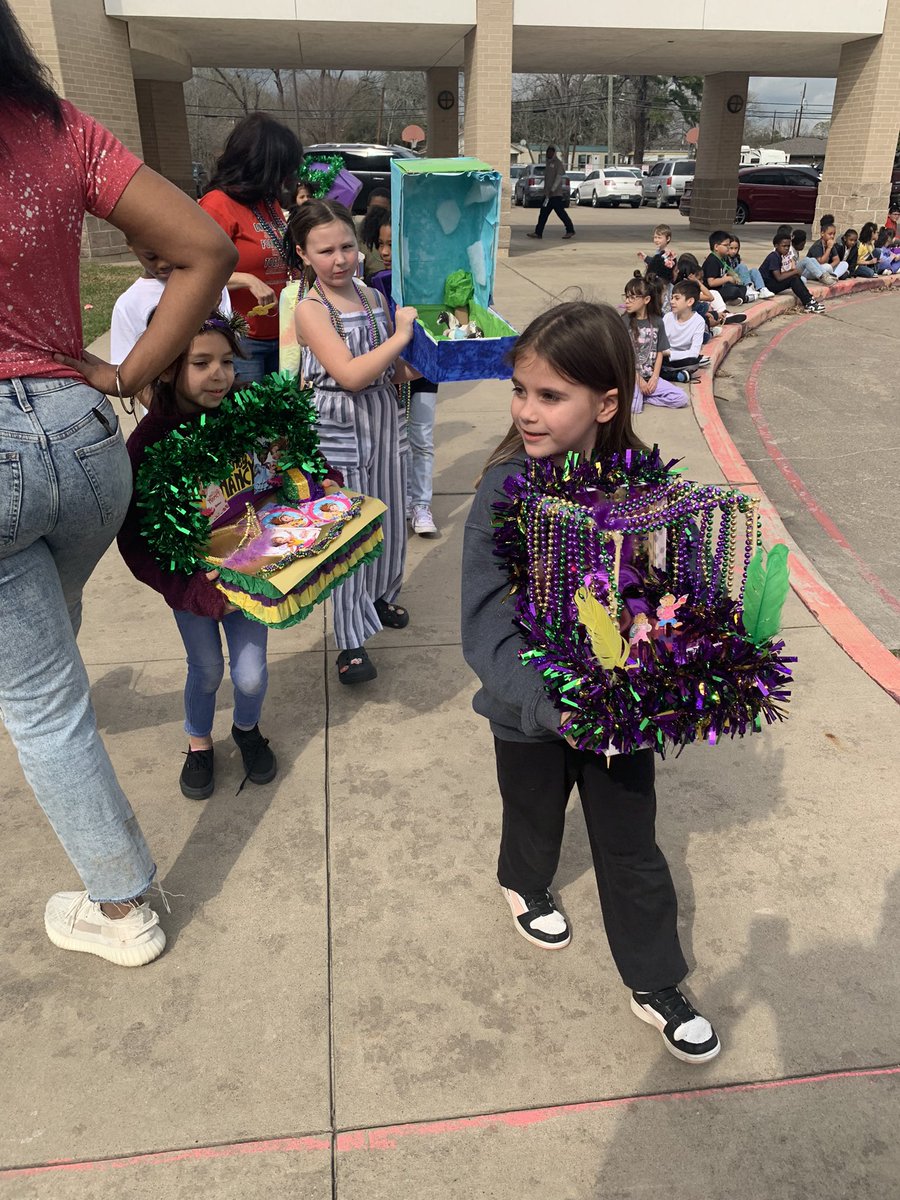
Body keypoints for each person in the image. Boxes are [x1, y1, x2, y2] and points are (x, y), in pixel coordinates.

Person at [0, 0, 237, 966]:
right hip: (86, 443)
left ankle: (119, 907)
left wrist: (134, 369)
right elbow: (204, 250)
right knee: (47, 629)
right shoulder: (57, 128)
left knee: (41, 704)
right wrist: (128, 376)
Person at [461, 300, 721, 1065]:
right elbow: (484, 626)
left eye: (551, 395)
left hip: (621, 715)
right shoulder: (505, 491)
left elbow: (648, 590)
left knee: (632, 844)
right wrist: (551, 704)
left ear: (607, 402)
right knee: (534, 814)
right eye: (521, 391)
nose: (527, 411)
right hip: (528, 709)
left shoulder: (636, 481)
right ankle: (523, 882)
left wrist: (679, 647)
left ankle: (655, 980)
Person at [116, 312, 278, 800]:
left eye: (227, 361)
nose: (219, 374)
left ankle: (246, 730)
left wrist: (318, 476)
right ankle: (199, 742)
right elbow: (137, 541)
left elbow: (282, 462)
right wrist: (190, 592)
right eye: (201, 362)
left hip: (251, 569)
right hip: (190, 585)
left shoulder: (245, 416)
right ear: (166, 367)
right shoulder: (148, 444)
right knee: (206, 669)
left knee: (250, 675)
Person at [292, 199, 419, 684]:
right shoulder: (309, 309)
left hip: (384, 417)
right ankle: (350, 642)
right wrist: (402, 336)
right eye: (326, 251)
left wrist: (446, 354)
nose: (341, 259)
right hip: (337, 424)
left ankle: (381, 597)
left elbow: (389, 368)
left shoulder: (371, 296)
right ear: (304, 254)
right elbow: (347, 374)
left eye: (348, 246)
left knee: (387, 512)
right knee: (348, 533)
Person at [199, 113, 303, 385]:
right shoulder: (217, 205)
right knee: (253, 425)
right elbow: (195, 273)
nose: (286, 178)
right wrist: (246, 280)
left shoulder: (268, 202)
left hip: (284, 335)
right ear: (261, 164)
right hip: (245, 341)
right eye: (282, 169)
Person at [110, 244, 232, 417]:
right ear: (131, 245)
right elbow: (128, 374)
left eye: (170, 251)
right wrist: (168, 419)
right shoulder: (128, 304)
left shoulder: (212, 286)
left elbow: (227, 343)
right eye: (151, 256)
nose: (163, 263)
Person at [622, 276, 689, 413]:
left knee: (681, 398)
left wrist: (654, 377)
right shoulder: (624, 322)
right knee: (635, 408)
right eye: (626, 297)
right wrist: (639, 379)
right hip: (631, 377)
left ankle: (645, 397)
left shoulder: (657, 322)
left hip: (649, 375)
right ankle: (638, 397)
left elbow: (659, 352)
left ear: (646, 300)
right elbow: (623, 357)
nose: (627, 301)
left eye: (632, 297)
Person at [759, 232, 824, 313]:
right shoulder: (773, 256)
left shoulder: (779, 255)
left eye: (788, 246)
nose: (786, 248)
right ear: (776, 246)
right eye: (784, 246)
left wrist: (793, 272)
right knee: (793, 279)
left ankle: (809, 300)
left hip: (771, 283)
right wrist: (795, 272)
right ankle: (808, 302)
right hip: (767, 286)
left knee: (794, 277)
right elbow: (779, 278)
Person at [661, 281, 709, 381]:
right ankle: (675, 375)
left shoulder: (698, 321)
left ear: (690, 302)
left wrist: (670, 353)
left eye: (677, 298)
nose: (672, 302)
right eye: (672, 298)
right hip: (663, 357)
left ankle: (669, 373)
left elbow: (694, 352)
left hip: (680, 358)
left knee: (694, 362)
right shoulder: (668, 317)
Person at [527, 147, 575, 241]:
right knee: (543, 214)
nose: (548, 154)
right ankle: (538, 232)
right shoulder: (548, 163)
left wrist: (553, 189)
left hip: (555, 194)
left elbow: (558, 177)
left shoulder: (558, 163)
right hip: (548, 195)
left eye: (550, 152)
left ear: (554, 153)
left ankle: (570, 230)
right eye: (547, 152)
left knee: (561, 213)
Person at [637, 224, 677, 310]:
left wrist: (647, 259)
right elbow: (655, 262)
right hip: (655, 283)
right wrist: (646, 258)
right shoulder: (658, 252)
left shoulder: (668, 253)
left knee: (663, 305)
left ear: (668, 238)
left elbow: (665, 268)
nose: (656, 240)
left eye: (659, 237)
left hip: (663, 285)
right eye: (655, 237)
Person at [702, 231, 747, 306]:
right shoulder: (712, 260)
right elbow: (711, 282)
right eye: (726, 245)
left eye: (729, 245)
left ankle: (734, 300)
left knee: (743, 288)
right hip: (712, 291)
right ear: (716, 247)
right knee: (734, 291)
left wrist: (735, 276)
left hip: (720, 287)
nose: (728, 248)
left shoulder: (723, 258)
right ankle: (740, 299)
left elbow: (728, 269)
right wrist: (728, 279)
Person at [801, 214, 849, 285]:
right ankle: (830, 275)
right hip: (812, 270)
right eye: (830, 234)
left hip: (825, 269)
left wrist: (831, 267)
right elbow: (821, 262)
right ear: (822, 233)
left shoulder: (830, 243)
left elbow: (837, 260)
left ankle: (834, 276)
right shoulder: (817, 245)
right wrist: (829, 248)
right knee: (827, 266)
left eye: (834, 234)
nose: (832, 236)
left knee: (844, 264)